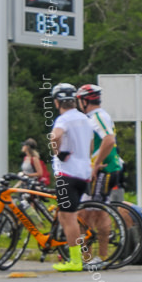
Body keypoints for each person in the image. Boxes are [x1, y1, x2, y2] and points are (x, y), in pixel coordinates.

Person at [48, 83, 96, 272]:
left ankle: (75, 261)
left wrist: (57, 152)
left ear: (57, 102)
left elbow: (55, 136)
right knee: (69, 215)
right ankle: (79, 257)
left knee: (68, 219)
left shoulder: (63, 119)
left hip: (67, 173)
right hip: (83, 173)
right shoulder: (85, 119)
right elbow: (91, 145)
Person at [76, 84, 124, 202]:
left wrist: (96, 164)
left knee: (97, 210)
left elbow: (109, 139)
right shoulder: (93, 117)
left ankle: (124, 218)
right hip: (102, 169)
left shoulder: (98, 117)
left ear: (84, 101)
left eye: (78, 100)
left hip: (105, 169)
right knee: (87, 211)